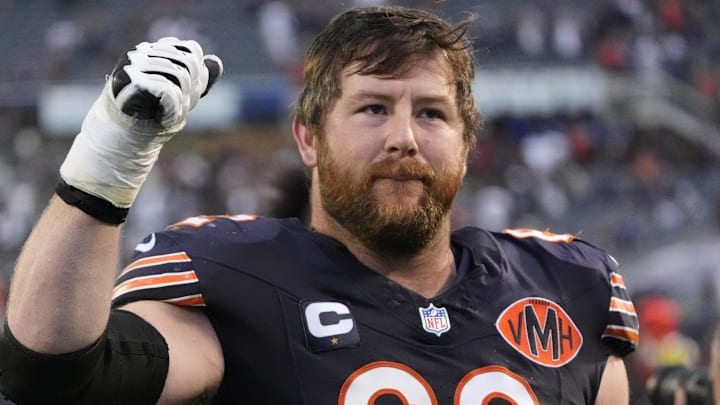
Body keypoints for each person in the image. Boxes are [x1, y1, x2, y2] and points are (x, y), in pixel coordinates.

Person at [0, 6, 640, 404]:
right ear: (308, 139)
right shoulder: (236, 278)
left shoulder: (568, 288)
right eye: (373, 108)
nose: (404, 137)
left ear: (467, 143)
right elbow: (51, 374)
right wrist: (108, 161)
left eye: (431, 113)